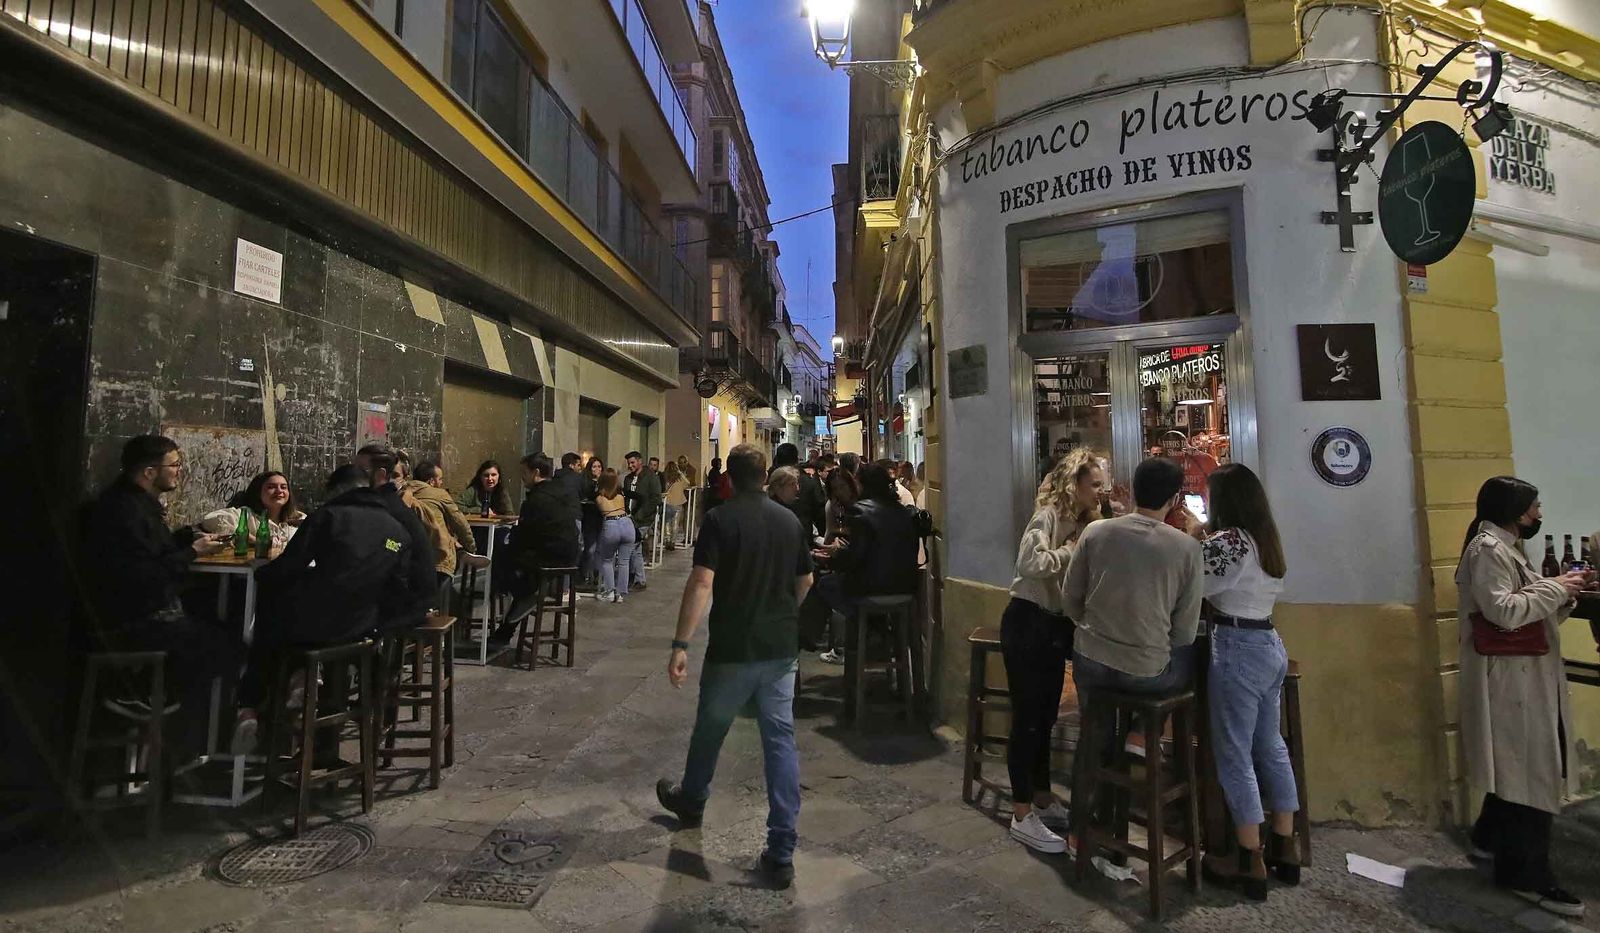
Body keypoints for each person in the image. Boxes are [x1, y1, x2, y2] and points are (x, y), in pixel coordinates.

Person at [656, 444, 814, 889]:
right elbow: (806, 581)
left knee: (711, 727)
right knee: (780, 741)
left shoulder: (719, 520)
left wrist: (680, 643)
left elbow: (702, 581)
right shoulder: (789, 521)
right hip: (780, 648)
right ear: (765, 476)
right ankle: (782, 849)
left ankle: (693, 798)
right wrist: (784, 613)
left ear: (729, 476)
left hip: (732, 646)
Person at [1457, 476, 1591, 919]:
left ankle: (1489, 838)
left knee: (1519, 764)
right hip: (1511, 677)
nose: (1540, 515)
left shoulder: (1506, 547)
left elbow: (1526, 595)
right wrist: (1557, 589)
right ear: (1514, 510)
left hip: (1526, 672)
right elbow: (1503, 609)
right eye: (1534, 507)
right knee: (1531, 769)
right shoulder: (1488, 551)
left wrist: (1563, 591)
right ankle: (1527, 874)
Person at [230, 463, 414, 753]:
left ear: (336, 490)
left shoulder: (328, 517)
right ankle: (307, 695)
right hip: (361, 630)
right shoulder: (397, 530)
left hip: (314, 628)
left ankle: (251, 706)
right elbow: (398, 587)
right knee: (309, 636)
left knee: (267, 623)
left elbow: (289, 566)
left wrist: (261, 575)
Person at [1064, 457, 1203, 838]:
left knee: (1093, 735)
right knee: (1189, 659)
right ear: (1175, 499)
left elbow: (1070, 599)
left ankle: (1080, 829)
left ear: (1133, 489)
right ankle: (1143, 732)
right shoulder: (1186, 549)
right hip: (1145, 674)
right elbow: (1185, 633)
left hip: (1092, 659)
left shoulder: (1097, 532)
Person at [82, 435, 237, 757]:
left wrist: (188, 537)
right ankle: (166, 723)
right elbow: (140, 574)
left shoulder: (135, 505)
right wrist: (192, 552)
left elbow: (151, 553)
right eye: (175, 465)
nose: (180, 471)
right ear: (150, 472)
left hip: (145, 612)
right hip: (132, 621)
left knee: (219, 629)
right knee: (227, 646)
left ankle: (167, 719)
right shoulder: (124, 511)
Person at [1187, 463, 1299, 899]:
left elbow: (1192, 578)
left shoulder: (1229, 541)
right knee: (1270, 744)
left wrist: (1195, 535)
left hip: (1236, 645)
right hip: (1269, 641)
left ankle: (1248, 854)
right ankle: (1284, 842)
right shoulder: (1264, 538)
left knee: (1233, 753)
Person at [1001, 450, 1105, 854]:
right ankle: (1021, 813)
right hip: (1028, 621)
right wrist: (1071, 550)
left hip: (1053, 625)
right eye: (1094, 484)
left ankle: (1041, 797)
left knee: (1045, 715)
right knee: (1028, 718)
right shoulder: (1047, 514)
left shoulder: (1085, 521)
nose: (1101, 491)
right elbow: (1030, 562)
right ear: (1074, 484)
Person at [809, 462, 919, 666]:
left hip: (873, 587)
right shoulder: (903, 511)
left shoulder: (861, 510)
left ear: (860, 483)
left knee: (824, 584)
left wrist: (833, 556)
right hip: (905, 585)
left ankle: (867, 631)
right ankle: (876, 631)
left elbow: (855, 558)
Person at [354, 444, 440, 631]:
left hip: (409, 603)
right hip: (413, 596)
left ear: (381, 475)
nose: (354, 477)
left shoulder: (383, 508)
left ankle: (372, 659)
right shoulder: (388, 502)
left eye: (361, 471)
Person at [501, 454, 583, 633]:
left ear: (536, 472)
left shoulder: (537, 499)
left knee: (502, 560)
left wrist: (510, 541)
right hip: (569, 553)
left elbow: (525, 535)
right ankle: (509, 624)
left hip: (550, 557)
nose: (522, 477)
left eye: (524, 472)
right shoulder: (560, 490)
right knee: (518, 567)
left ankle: (524, 598)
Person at [401, 461, 484, 612]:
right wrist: (472, 547)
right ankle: (462, 552)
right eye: (440, 479)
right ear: (431, 481)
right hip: (438, 557)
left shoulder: (400, 493)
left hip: (407, 558)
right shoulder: (439, 494)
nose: (441, 482)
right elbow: (460, 523)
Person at [200, 471, 306, 552]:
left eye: (283, 487)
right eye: (271, 487)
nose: (279, 491)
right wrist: (255, 540)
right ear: (258, 492)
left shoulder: (300, 518)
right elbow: (212, 519)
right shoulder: (246, 515)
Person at [593, 469, 636, 603]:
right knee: (624, 561)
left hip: (611, 525)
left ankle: (610, 591)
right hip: (627, 524)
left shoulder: (599, 498)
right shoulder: (620, 496)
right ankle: (621, 593)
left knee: (606, 560)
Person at [623, 451, 662, 590]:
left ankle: (636, 578)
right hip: (630, 518)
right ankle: (637, 578)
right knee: (635, 548)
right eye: (629, 463)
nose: (630, 465)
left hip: (643, 519)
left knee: (633, 546)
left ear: (640, 461)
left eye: (632, 462)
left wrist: (641, 514)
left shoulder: (651, 477)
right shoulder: (628, 478)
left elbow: (656, 498)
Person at [773, 444, 825, 538]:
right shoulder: (808, 481)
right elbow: (820, 512)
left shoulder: (772, 480)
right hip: (803, 534)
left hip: (775, 537)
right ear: (796, 460)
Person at [579, 457, 605, 587]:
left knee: (599, 549)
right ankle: (586, 574)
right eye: (594, 466)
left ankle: (597, 575)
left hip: (602, 518)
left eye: (599, 466)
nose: (597, 469)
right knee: (590, 549)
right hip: (589, 519)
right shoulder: (585, 482)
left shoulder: (605, 482)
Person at [662, 461, 688, 550]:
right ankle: (673, 542)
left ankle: (667, 540)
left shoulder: (665, 477)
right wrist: (680, 473)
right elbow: (687, 483)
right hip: (678, 502)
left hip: (668, 502)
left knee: (667, 522)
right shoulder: (680, 478)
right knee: (676, 523)